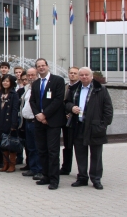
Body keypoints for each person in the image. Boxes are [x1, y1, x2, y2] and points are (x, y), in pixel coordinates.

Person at [64, 67, 113, 190]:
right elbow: (66, 103)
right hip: (78, 125)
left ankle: (96, 179)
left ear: (91, 76)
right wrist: (71, 107)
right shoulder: (74, 88)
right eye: (82, 75)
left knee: (96, 155)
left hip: (94, 127)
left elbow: (108, 110)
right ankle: (82, 177)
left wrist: (103, 125)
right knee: (80, 153)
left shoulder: (100, 89)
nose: (84, 77)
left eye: (86, 75)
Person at [29, 58, 67, 190]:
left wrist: (45, 115)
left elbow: (58, 101)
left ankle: (54, 179)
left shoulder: (58, 80)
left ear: (47, 66)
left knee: (53, 151)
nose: (41, 68)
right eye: (38, 66)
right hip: (39, 122)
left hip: (53, 123)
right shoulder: (36, 83)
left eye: (43, 65)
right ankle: (45, 176)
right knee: (42, 151)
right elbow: (32, 101)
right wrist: (38, 115)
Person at [0, 74, 21, 173]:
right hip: (0, 121)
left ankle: (12, 164)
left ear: (11, 83)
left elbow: (14, 110)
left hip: (9, 122)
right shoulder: (0, 93)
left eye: (7, 81)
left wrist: (14, 124)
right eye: (4, 81)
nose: (5, 83)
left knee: (11, 144)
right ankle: (5, 164)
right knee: (3, 144)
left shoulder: (14, 94)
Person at [20, 68, 44, 180]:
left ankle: (40, 170)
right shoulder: (28, 88)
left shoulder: (40, 87)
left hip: (36, 121)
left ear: (37, 75)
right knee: (31, 147)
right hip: (27, 121)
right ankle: (33, 168)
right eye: (28, 75)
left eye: (32, 75)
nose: (30, 77)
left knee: (38, 147)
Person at [61, 66, 80, 175]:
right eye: (71, 73)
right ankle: (66, 167)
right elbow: (62, 101)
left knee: (78, 146)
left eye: (75, 73)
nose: (72, 75)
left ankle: (81, 170)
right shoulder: (66, 87)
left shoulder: (80, 87)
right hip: (66, 120)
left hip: (76, 120)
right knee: (67, 145)